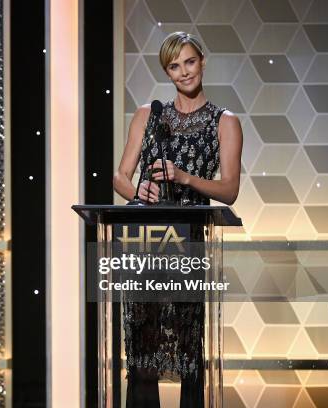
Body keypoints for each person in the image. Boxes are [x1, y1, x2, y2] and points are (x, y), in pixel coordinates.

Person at [113, 32, 243, 407]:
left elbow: (229, 189)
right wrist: (138, 193)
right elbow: (121, 175)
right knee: (142, 353)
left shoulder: (224, 121)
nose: (183, 72)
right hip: (145, 244)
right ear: (167, 72)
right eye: (174, 66)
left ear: (202, 61)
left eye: (189, 62)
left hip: (189, 244)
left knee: (188, 353)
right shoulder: (149, 115)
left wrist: (184, 178)